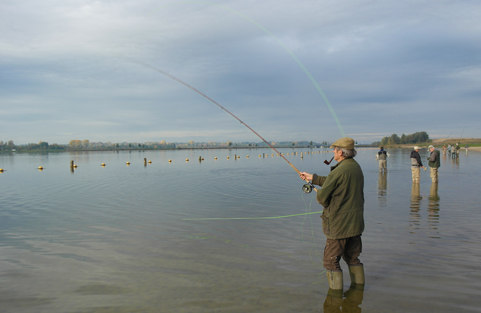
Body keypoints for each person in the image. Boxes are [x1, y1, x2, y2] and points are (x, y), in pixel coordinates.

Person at [299, 137, 364, 291]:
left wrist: (318, 192)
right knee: (353, 258)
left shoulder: (340, 170)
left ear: (340, 152)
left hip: (339, 225)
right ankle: (358, 294)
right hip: (355, 224)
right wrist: (313, 178)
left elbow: (321, 197)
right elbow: (335, 181)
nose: (333, 152)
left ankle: (334, 299)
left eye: (334, 150)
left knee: (331, 262)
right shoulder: (355, 167)